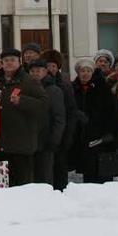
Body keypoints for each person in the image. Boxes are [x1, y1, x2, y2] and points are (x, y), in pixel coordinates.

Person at [0, 48, 46, 186]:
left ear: (19, 62)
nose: (9, 63)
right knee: (0, 187)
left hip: (22, 145)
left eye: (12, 60)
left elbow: (44, 104)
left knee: (21, 187)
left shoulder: (29, 81)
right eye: (6, 60)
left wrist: (22, 101)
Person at [71, 57, 116, 183]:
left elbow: (110, 111)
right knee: (88, 171)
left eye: (88, 71)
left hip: (100, 134)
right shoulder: (74, 88)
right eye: (82, 71)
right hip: (82, 135)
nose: (85, 74)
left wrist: (108, 132)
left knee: (103, 171)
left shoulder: (102, 87)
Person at [41, 50, 77, 191]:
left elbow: (70, 111)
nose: (51, 69)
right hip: (47, 134)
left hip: (61, 133)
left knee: (60, 168)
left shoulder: (65, 85)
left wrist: (67, 134)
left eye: (54, 66)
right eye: (48, 66)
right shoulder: (40, 84)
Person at [28, 59, 66, 187]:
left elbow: (59, 117)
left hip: (46, 141)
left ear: (45, 72)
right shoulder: (26, 89)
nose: (35, 74)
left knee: (44, 178)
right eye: (32, 71)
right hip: (29, 142)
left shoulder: (53, 90)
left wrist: (54, 139)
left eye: (38, 70)